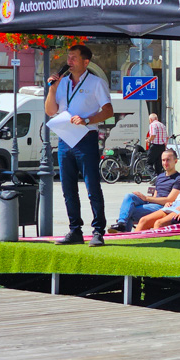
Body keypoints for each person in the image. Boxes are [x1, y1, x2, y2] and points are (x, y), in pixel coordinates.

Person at [46, 44, 114, 247]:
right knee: (68, 187)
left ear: (86, 62)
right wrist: (52, 88)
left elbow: (109, 110)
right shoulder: (63, 83)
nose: (69, 61)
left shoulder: (96, 83)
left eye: (74, 58)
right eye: (69, 57)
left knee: (92, 185)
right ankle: (75, 230)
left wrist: (86, 119)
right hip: (65, 138)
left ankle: (98, 231)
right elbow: (51, 111)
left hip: (86, 137)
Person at [109, 150, 180, 233]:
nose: (165, 163)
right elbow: (156, 195)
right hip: (152, 204)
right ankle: (121, 224)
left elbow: (170, 200)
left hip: (163, 207)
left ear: (175, 161)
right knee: (129, 197)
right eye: (163, 160)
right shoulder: (160, 177)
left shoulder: (179, 178)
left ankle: (125, 235)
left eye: (168, 160)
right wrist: (148, 199)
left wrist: (146, 198)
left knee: (128, 212)